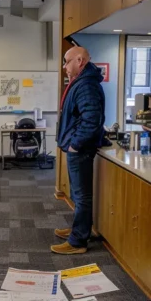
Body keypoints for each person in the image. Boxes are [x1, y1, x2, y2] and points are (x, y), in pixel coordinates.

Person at [54, 46, 106, 255]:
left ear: (80, 61)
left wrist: (75, 144)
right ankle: (81, 229)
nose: (64, 67)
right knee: (78, 194)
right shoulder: (81, 82)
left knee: (82, 196)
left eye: (67, 62)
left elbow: (92, 119)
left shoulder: (86, 85)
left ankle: (78, 242)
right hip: (77, 148)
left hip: (80, 149)